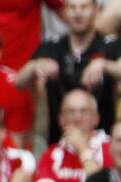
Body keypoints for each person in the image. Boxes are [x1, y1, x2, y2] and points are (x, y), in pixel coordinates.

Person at [18, 0, 120, 144]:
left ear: (95, 10)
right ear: (65, 11)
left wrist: (105, 65)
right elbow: (19, 82)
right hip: (59, 142)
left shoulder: (109, 45)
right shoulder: (52, 45)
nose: (78, 13)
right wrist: (36, 66)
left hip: (102, 142)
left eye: (83, 7)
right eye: (72, 7)